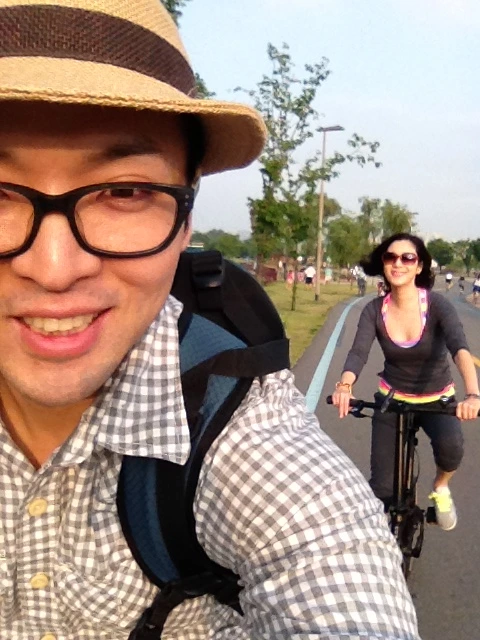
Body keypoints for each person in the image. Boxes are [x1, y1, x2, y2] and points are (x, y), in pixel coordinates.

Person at [0, 1, 420, 638]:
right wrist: (347, 378)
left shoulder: (240, 430)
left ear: (186, 219)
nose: (54, 268)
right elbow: (360, 343)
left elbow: (328, 559)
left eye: (125, 191)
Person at [332, 233, 480, 531]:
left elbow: (459, 348)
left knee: (451, 449)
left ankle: (440, 488)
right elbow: (358, 352)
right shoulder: (374, 310)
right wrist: (345, 386)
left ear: (419, 266)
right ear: (383, 264)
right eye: (390, 257)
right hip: (392, 399)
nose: (398, 264)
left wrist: (473, 395)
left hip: (437, 400)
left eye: (407, 258)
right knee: (383, 489)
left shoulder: (437, 305)